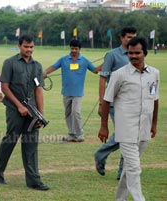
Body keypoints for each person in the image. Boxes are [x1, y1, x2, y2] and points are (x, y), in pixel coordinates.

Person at [98, 37, 159, 201]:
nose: (133, 56)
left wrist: (153, 124)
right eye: (130, 53)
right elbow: (107, 100)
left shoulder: (154, 74)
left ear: (144, 53)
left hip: (144, 128)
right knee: (134, 168)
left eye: (137, 53)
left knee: (129, 168)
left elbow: (154, 99)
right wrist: (104, 126)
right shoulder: (119, 75)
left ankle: (120, 199)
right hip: (126, 130)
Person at [0, 34, 49, 191]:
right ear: (19, 46)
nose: (29, 50)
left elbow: (38, 89)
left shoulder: (37, 66)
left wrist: (40, 115)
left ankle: (34, 180)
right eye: (26, 47)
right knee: (10, 140)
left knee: (31, 144)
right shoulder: (10, 63)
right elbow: (4, 87)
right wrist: (19, 106)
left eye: (31, 47)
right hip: (14, 109)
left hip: (32, 111)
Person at [94, 26, 137, 180]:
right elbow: (102, 79)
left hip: (132, 103)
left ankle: (121, 171)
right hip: (114, 103)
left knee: (129, 137)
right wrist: (101, 104)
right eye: (128, 37)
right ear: (122, 38)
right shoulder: (112, 55)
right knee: (126, 135)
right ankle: (102, 155)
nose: (131, 39)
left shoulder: (136, 55)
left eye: (134, 37)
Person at [43, 39, 101, 143]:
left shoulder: (84, 60)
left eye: (76, 49)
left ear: (80, 49)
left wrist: (108, 62)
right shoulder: (64, 59)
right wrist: (45, 72)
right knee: (68, 113)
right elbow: (54, 66)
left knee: (76, 112)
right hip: (66, 91)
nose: (74, 50)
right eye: (72, 48)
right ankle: (71, 134)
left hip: (78, 93)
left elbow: (95, 70)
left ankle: (79, 135)